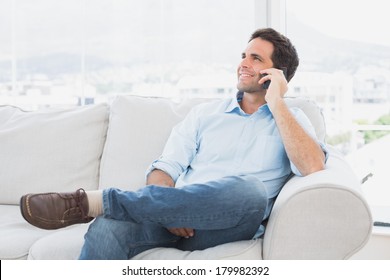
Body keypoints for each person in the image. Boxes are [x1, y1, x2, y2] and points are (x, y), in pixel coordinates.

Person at [20, 28, 327, 259]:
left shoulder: (293, 119)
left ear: (276, 74)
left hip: (230, 221)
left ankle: (97, 201)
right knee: (106, 227)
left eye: (255, 58)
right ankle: (103, 208)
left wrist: (277, 103)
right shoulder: (205, 115)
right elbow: (163, 170)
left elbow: (313, 165)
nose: (243, 63)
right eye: (243, 55)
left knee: (250, 190)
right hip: (171, 219)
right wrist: (172, 211)